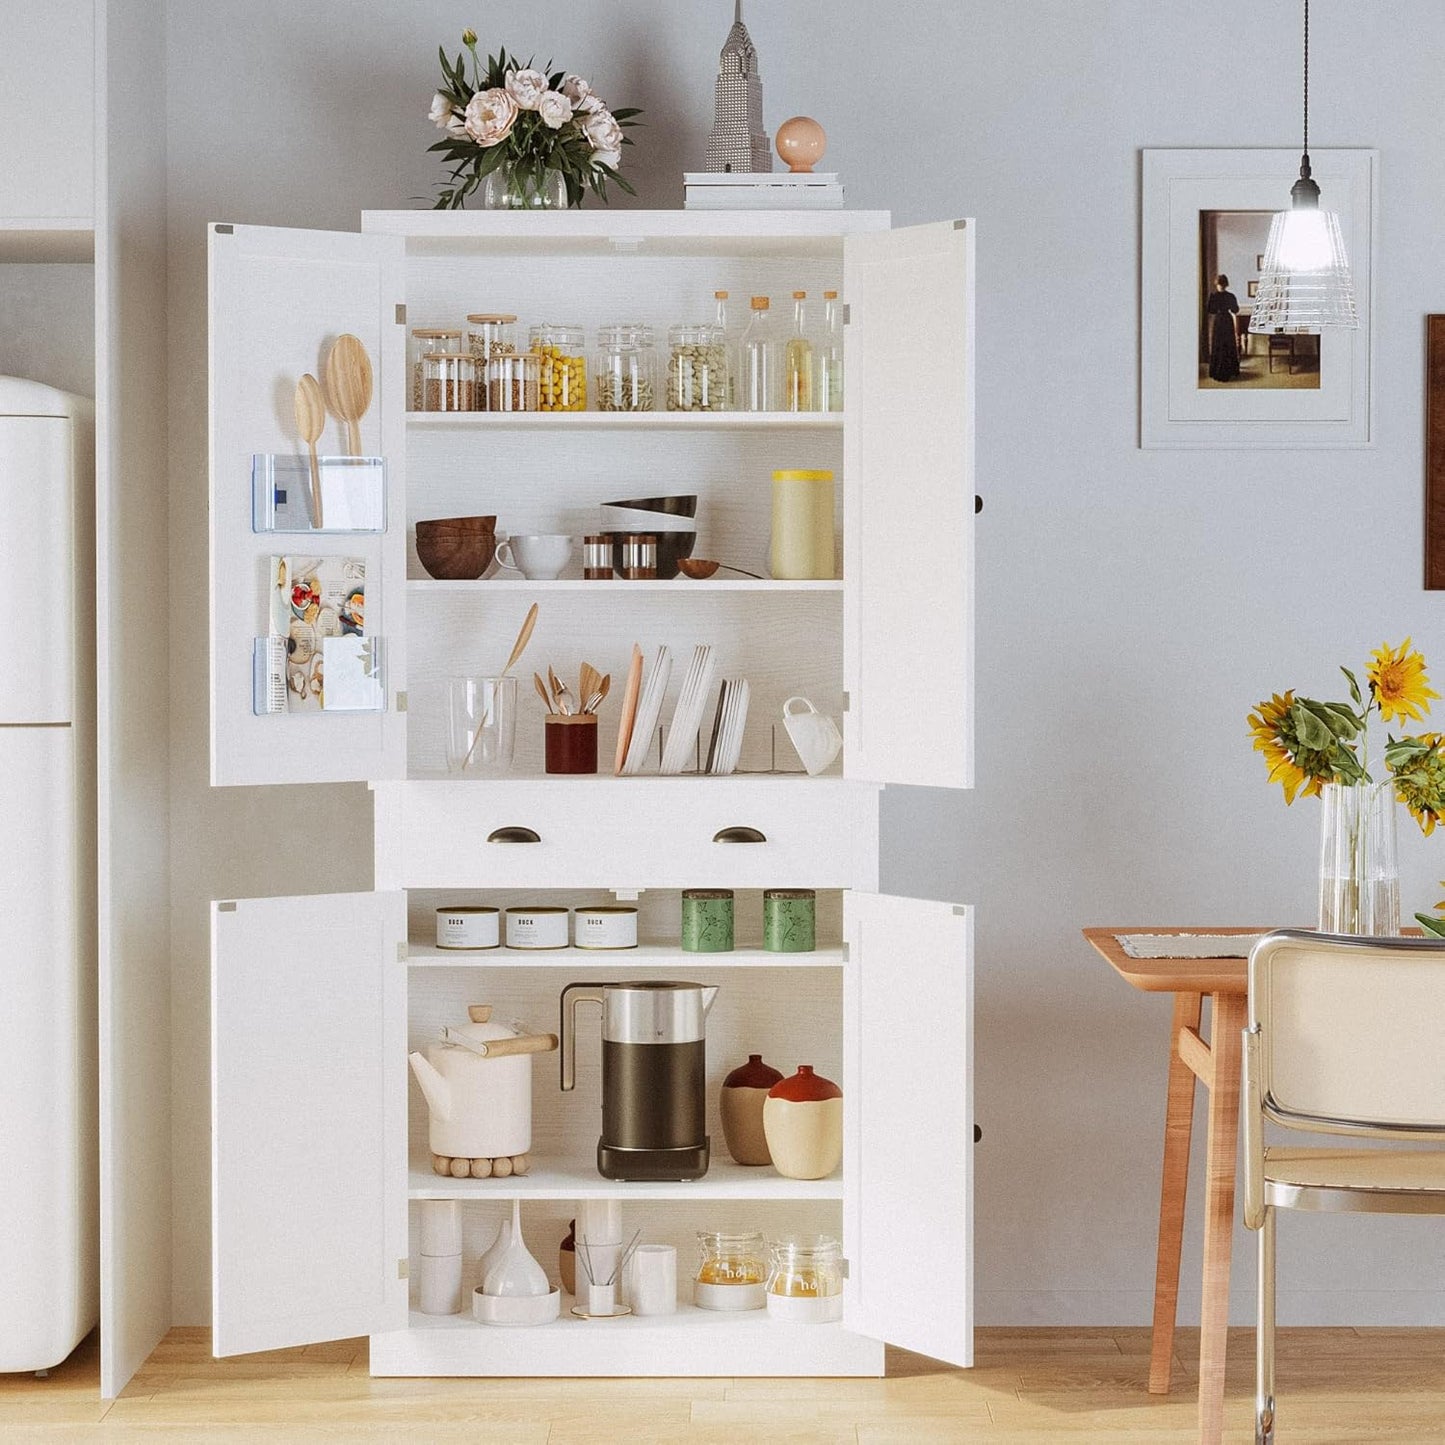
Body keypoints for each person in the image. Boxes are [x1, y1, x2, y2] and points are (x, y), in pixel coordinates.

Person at [1205, 274, 1240, 382]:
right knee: (1220, 345)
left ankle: (1225, 371)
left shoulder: (1215, 296)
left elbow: (1235, 310)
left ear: (1225, 285)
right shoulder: (1228, 296)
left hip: (1221, 321)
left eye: (1222, 284)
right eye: (1219, 284)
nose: (1220, 286)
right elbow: (1234, 310)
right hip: (1223, 321)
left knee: (1225, 345)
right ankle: (1224, 371)